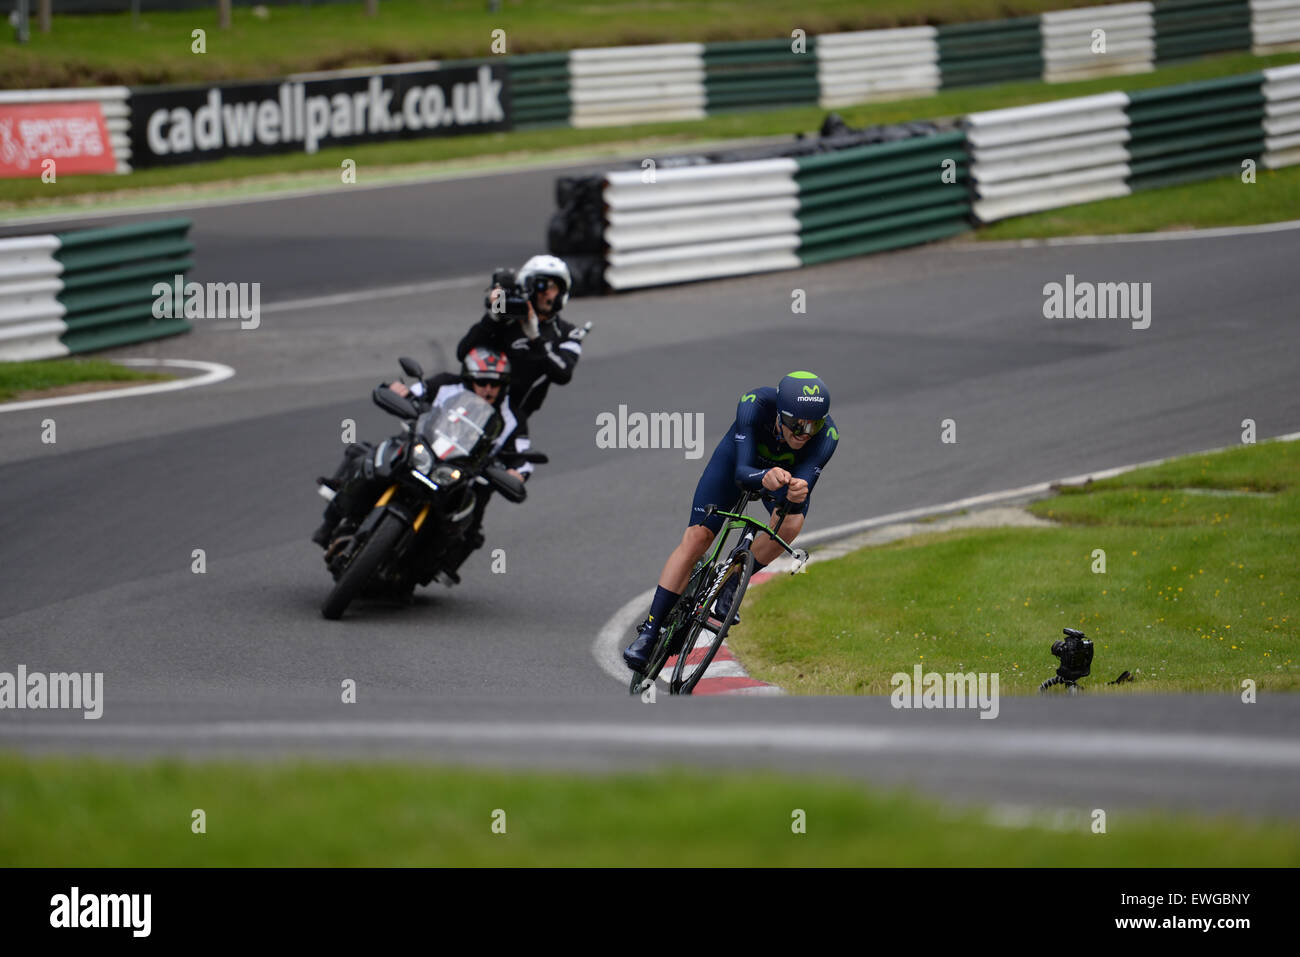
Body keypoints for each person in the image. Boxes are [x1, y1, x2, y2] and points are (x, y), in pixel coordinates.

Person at [622, 372, 839, 673]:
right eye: (799, 424)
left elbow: (802, 489)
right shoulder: (755, 404)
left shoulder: (827, 436)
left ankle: (733, 581)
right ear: (780, 415)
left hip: (780, 481)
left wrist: (798, 489)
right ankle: (650, 631)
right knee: (697, 538)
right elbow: (741, 473)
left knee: (791, 523)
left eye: (814, 425)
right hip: (738, 465)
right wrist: (765, 477)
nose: (805, 433)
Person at [311, 348, 527, 580]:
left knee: (465, 522)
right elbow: (414, 393)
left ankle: (422, 570)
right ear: (469, 377)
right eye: (482, 381)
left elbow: (522, 458)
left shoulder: (512, 419)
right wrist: (398, 391)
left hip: (457, 477)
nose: (488, 389)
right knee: (365, 454)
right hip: (420, 452)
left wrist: (517, 473)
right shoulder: (445, 385)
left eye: (495, 384)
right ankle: (332, 518)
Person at [456, 254, 584, 434]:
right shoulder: (506, 320)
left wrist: (536, 338)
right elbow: (463, 353)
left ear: (562, 292)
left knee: (521, 462)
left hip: (511, 421)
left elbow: (563, 374)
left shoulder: (568, 333)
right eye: (541, 285)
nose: (546, 292)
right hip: (471, 408)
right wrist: (492, 318)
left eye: (553, 287)